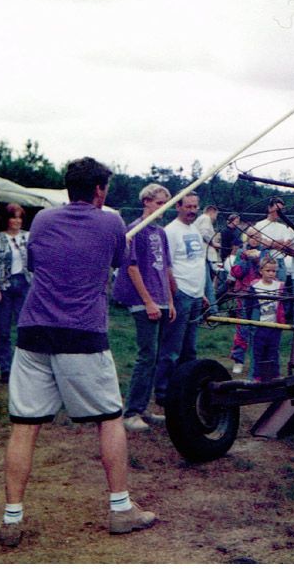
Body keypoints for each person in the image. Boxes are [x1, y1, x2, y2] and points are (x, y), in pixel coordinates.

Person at [0, 157, 155, 547]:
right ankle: (121, 510)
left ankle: (11, 519)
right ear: (100, 189)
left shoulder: (44, 220)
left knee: (24, 425)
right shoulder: (113, 222)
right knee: (110, 418)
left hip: (33, 330)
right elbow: (119, 260)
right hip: (82, 332)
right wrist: (122, 242)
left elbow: (36, 262)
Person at [111, 184, 176, 432]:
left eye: (166, 203)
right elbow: (132, 267)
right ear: (147, 202)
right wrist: (147, 301)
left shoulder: (160, 232)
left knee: (156, 356)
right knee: (146, 355)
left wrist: (169, 300)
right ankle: (131, 413)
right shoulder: (134, 230)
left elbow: (166, 268)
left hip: (161, 299)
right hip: (143, 301)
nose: (163, 208)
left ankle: (143, 406)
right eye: (160, 203)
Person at [153, 192, 210, 407]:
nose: (192, 210)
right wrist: (175, 292)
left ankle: (185, 389)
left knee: (190, 349)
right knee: (172, 349)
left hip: (196, 296)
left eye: (195, 206)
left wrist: (202, 292)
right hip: (181, 295)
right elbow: (167, 267)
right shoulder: (170, 231)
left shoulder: (194, 229)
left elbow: (196, 262)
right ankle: (163, 393)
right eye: (188, 206)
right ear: (178, 206)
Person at [0, 203, 32, 383]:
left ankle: (23, 367)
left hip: (24, 285)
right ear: (6, 219)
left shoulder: (28, 237)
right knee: (3, 330)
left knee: (23, 327)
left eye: (20, 217)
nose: (17, 221)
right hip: (4, 287)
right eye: (13, 217)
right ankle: (6, 368)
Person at [229, 227, 271, 375]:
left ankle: (257, 360)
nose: (254, 239)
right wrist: (245, 260)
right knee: (242, 329)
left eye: (257, 236)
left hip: (260, 295)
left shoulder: (265, 252)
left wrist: (258, 260)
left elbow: (269, 271)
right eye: (251, 236)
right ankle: (238, 360)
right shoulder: (241, 252)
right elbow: (236, 273)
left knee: (258, 329)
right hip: (244, 293)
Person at [246, 256, 286, 381]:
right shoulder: (254, 286)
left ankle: (274, 375)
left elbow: (286, 304)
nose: (271, 273)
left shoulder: (280, 286)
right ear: (261, 271)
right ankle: (256, 376)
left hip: (274, 326)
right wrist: (250, 322)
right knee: (257, 352)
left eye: (273, 271)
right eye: (268, 270)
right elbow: (248, 306)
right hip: (259, 325)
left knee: (273, 351)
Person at [254, 197, 293, 285]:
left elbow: (288, 246)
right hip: (264, 261)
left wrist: (270, 243)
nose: (278, 212)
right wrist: (279, 243)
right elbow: (261, 244)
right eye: (276, 209)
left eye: (281, 210)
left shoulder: (283, 227)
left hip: (280, 262)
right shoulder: (259, 225)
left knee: (280, 289)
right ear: (270, 208)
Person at [193, 205, 219, 314]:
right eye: (215, 215)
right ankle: (213, 311)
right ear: (211, 212)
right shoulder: (205, 218)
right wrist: (213, 243)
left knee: (205, 284)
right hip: (204, 256)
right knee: (208, 285)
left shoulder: (199, 220)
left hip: (202, 256)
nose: (215, 218)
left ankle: (207, 310)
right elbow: (204, 233)